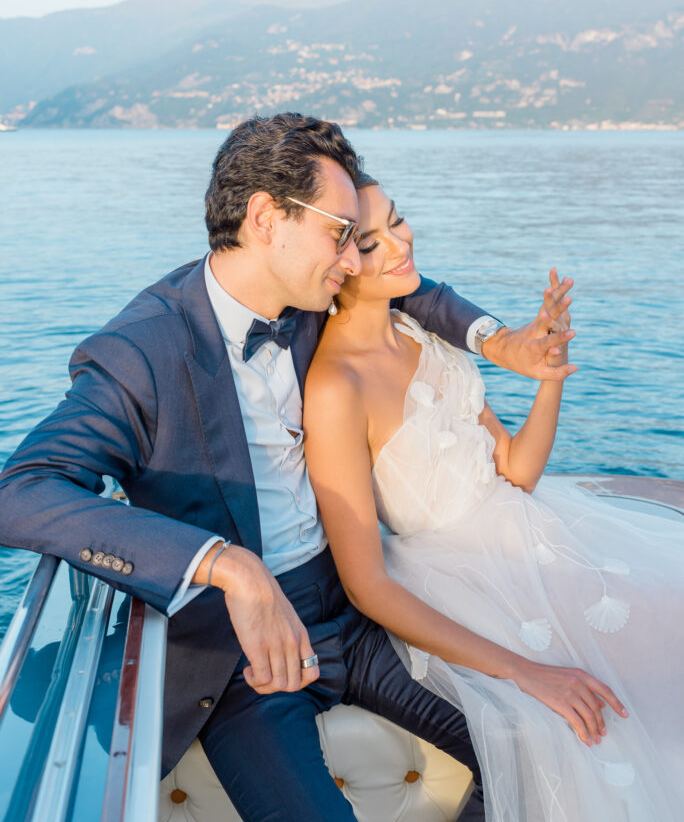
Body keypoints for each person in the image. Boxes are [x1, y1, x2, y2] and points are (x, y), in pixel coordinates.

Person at [1, 114, 577, 822]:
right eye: (340, 233)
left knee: (532, 745)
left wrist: (500, 341)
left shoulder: (314, 295)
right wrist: (225, 564)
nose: (354, 257)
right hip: (242, 658)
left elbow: (412, 287)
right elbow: (23, 491)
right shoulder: (142, 353)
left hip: (358, 609)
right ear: (267, 217)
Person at [303, 176, 684, 821]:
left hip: (532, 532)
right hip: (460, 578)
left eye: (397, 222)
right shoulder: (337, 386)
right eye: (371, 242)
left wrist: (551, 372)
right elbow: (365, 584)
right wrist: (521, 673)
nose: (400, 243)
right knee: (591, 713)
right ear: (336, 266)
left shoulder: (421, 335)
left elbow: (516, 469)